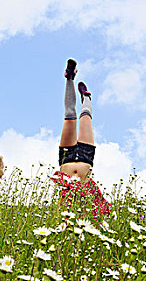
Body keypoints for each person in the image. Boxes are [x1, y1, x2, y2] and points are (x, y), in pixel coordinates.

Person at [50, 58, 111, 219]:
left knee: (70, 116)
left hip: (66, 158)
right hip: (85, 157)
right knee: (85, 118)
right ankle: (86, 98)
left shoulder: (69, 204)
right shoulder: (69, 203)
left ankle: (69, 77)